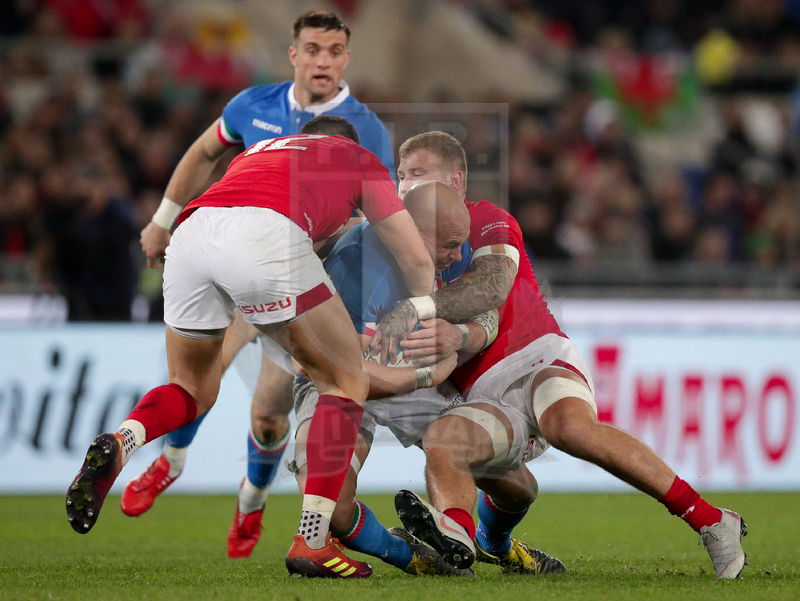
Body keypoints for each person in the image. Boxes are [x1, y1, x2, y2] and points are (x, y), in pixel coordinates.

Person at [64, 117, 435, 582]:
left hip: (193, 235)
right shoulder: (358, 159)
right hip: (267, 239)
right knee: (345, 379)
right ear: (347, 143)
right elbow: (416, 256)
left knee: (192, 386)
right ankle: (313, 540)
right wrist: (425, 312)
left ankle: (123, 440)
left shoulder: (260, 151)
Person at [368, 131, 748, 579]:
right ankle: (459, 538)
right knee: (444, 443)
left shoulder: (486, 219)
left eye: (418, 174)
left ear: (454, 181)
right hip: (481, 396)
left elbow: (493, 285)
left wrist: (428, 316)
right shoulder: (390, 258)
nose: (405, 185)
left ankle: (710, 520)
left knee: (568, 426)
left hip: (537, 357)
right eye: (401, 175)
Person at [125, 10, 394, 557]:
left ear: (346, 58)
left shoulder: (366, 130)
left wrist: (357, 310)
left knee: (269, 412)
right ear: (293, 54)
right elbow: (204, 151)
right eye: (313, 49)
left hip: (298, 275)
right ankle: (169, 463)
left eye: (335, 51)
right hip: (227, 250)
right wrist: (163, 216)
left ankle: (250, 502)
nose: (323, 61)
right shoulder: (253, 105)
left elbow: (376, 226)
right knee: (202, 372)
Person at [290, 179, 566, 577]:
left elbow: (487, 311)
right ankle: (414, 557)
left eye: (460, 243)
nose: (459, 255)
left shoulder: (452, 247)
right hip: (336, 382)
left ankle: (496, 543)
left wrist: (461, 335)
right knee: (329, 500)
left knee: (518, 485)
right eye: (449, 246)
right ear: (412, 234)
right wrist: (426, 375)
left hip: (410, 372)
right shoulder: (358, 269)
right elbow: (329, 367)